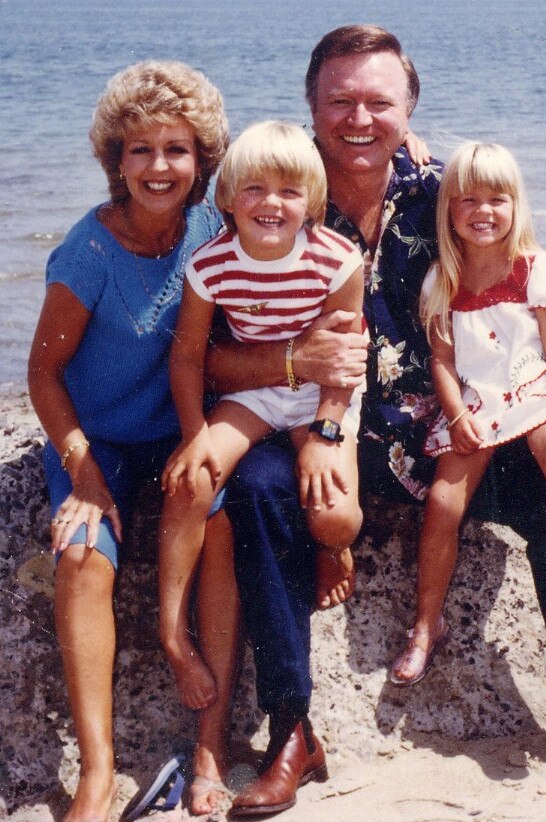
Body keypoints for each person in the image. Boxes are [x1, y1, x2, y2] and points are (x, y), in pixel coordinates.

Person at [201, 25, 546, 817]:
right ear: (311, 106)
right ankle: (293, 729)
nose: (359, 119)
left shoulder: (443, 193)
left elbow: (532, 282)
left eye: (378, 102)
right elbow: (207, 356)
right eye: (340, 101)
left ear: (409, 109)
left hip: (448, 439)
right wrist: (294, 365)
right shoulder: (270, 193)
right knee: (255, 488)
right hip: (318, 437)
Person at [27, 61, 240, 821]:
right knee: (83, 555)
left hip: (176, 433)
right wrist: (84, 473)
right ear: (115, 159)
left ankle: (211, 746)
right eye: (141, 150)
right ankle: (97, 770)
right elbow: (43, 373)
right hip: (98, 441)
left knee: (220, 532)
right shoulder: (88, 252)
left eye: (176, 150)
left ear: (202, 158)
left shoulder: (213, 232)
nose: (159, 167)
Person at [157, 120, 365, 698]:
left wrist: (325, 431)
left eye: (289, 192)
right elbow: (186, 359)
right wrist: (195, 432)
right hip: (252, 391)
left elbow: (347, 360)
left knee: (334, 516)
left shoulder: (337, 259)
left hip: (318, 393)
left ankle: (334, 551)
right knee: (191, 480)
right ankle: (172, 630)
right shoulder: (211, 263)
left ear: (312, 202)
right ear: (227, 196)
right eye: (253, 188)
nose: (270, 204)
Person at [389, 141, 546, 689]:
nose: (482, 211)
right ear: (448, 209)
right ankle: (425, 626)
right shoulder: (443, 279)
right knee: (442, 500)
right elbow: (443, 359)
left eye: (497, 199)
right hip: (477, 399)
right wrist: (456, 416)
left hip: (531, 384)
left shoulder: (534, 269)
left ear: (516, 205)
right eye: (467, 200)